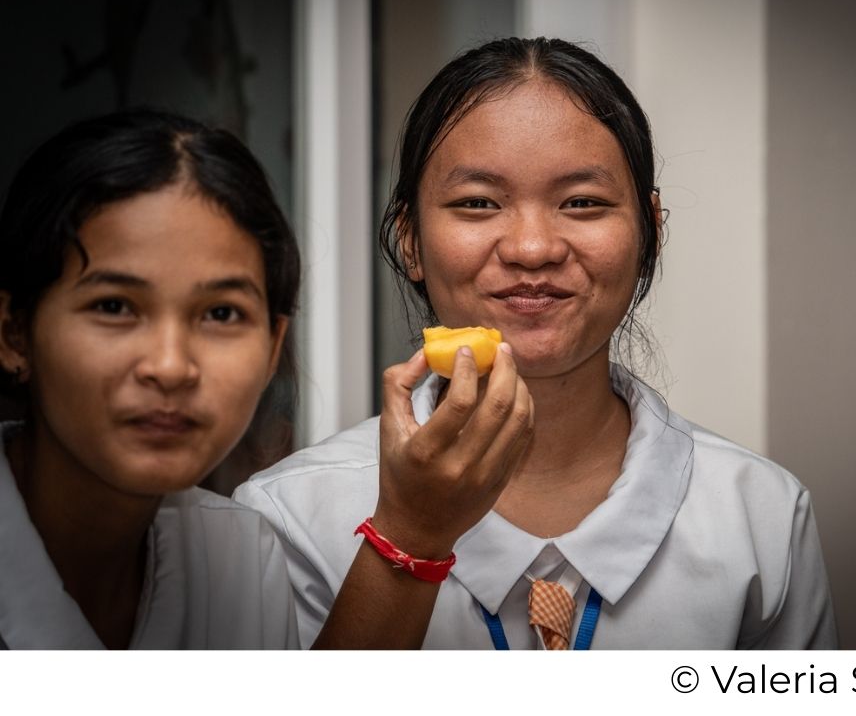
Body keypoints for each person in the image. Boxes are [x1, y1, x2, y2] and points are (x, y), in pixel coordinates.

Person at [235, 37, 837, 649]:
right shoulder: (290, 519)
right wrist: (407, 537)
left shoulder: (761, 518)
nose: (532, 248)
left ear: (650, 233)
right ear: (410, 238)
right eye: (477, 203)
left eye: (582, 202)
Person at [0, 109, 531, 649]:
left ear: (274, 345)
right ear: (13, 332)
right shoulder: (275, 521)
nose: (170, 365)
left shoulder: (239, 553)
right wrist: (411, 531)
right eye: (114, 306)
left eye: (222, 314)